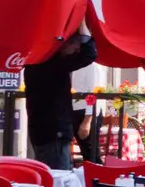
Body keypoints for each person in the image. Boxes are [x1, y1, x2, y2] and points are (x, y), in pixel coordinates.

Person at [27, 26, 101, 171]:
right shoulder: (53, 63)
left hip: (60, 123)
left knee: (85, 156)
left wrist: (88, 117)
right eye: (75, 45)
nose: (76, 50)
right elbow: (89, 54)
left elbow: (92, 89)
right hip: (57, 126)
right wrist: (83, 27)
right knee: (60, 174)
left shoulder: (41, 62)